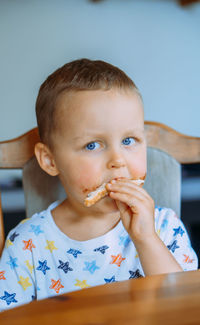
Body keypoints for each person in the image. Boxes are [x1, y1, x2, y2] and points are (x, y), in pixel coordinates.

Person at [0, 59, 198, 311]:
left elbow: (185, 308)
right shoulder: (27, 244)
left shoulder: (164, 228)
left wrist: (146, 239)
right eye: (92, 145)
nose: (118, 160)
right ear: (50, 160)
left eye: (129, 140)